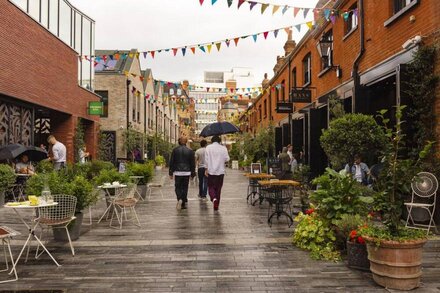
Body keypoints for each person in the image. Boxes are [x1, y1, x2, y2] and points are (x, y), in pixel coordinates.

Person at [169, 136, 196, 210]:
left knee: (177, 187)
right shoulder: (190, 151)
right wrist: (193, 173)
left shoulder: (175, 150)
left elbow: (172, 162)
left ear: (179, 141)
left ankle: (179, 198)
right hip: (187, 172)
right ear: (186, 142)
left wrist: (171, 172)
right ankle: (183, 203)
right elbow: (192, 163)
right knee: (185, 187)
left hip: (178, 172)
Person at [205, 135, 230, 211]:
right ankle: (216, 205)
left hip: (211, 171)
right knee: (218, 189)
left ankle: (213, 198)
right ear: (219, 141)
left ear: (212, 141)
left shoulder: (208, 148)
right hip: (220, 171)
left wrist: (206, 169)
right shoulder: (223, 148)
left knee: (211, 187)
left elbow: (206, 160)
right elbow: (227, 159)